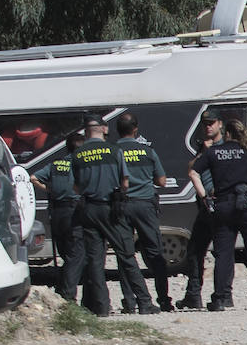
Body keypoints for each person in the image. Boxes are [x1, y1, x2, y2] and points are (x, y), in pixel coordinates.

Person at [189, 119, 247, 311]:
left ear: (227, 134)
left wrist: (204, 196)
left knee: (223, 254)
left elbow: (193, 173)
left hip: (223, 206)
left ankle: (221, 299)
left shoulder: (213, 152)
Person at [71, 114, 155, 316]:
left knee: (95, 260)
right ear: (103, 129)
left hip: (89, 209)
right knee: (126, 255)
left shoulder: (78, 154)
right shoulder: (115, 151)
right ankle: (144, 303)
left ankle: (101, 307)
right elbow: (125, 182)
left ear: (85, 130)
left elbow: (76, 187)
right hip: (111, 208)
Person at [115, 112, 173, 312]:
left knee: (125, 254)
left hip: (122, 205)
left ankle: (130, 301)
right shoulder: (147, 151)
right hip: (145, 204)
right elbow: (162, 181)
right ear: (135, 129)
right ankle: (164, 299)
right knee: (155, 253)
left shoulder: (113, 151)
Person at [176, 109, 224, 310]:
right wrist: (204, 152)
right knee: (195, 251)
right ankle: (193, 294)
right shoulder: (203, 147)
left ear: (220, 124)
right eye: (205, 124)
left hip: (220, 203)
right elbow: (191, 169)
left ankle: (222, 296)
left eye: (212, 123)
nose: (208, 127)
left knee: (223, 252)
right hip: (204, 207)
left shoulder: (225, 146)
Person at [30, 132, 86, 301]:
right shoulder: (80, 164)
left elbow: (33, 178)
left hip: (56, 213)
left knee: (66, 254)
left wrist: (49, 189)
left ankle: (63, 287)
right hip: (73, 211)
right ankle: (67, 294)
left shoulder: (56, 164)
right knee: (76, 255)